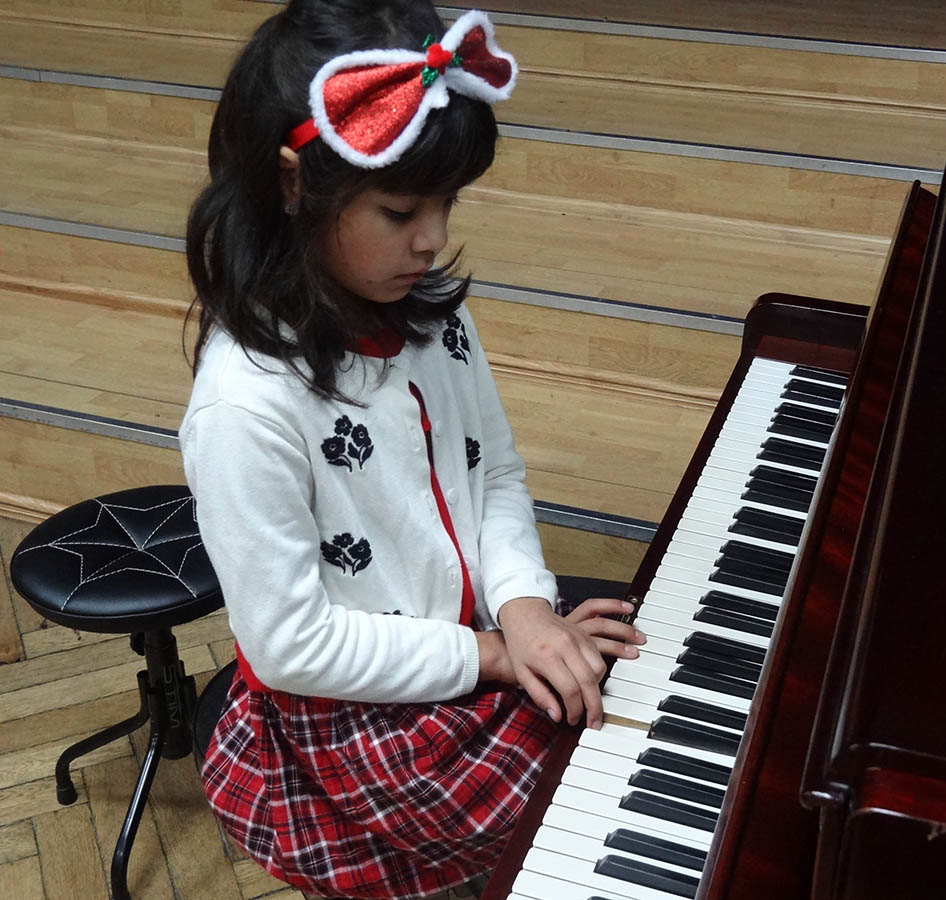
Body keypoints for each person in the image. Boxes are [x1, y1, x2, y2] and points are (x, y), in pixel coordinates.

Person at [179, 2, 644, 898]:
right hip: (357, 722)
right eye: (400, 211)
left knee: (650, 687)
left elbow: (493, 470)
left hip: (476, 643)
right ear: (291, 185)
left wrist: (525, 606)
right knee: (609, 784)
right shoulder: (244, 405)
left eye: (446, 204)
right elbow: (291, 646)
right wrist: (496, 655)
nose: (432, 240)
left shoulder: (428, 313)